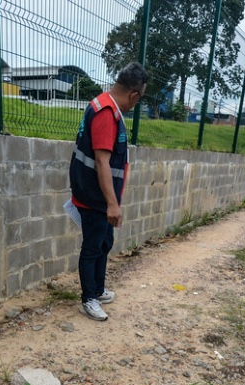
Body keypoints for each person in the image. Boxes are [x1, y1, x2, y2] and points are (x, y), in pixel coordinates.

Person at [69, 62, 149, 321]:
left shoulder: (107, 106)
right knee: (93, 246)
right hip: (94, 196)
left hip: (98, 195)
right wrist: (113, 205)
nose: (135, 105)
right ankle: (88, 299)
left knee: (104, 242)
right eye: (138, 100)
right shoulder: (105, 112)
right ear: (134, 94)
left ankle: (98, 289)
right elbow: (102, 162)